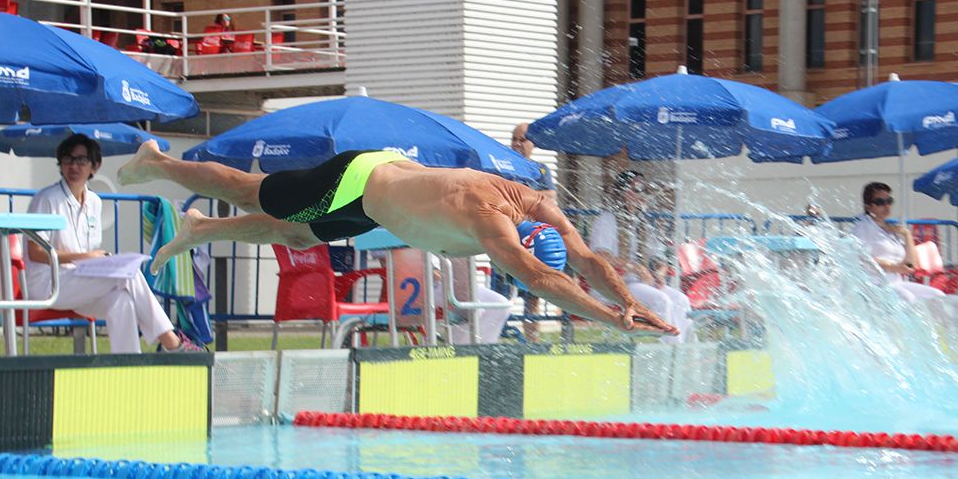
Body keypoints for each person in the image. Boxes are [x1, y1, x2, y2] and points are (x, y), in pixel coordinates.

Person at [116, 142, 678, 337]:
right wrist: (609, 320)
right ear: (521, 240)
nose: (514, 259)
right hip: (355, 182)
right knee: (249, 192)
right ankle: (161, 161)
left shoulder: (540, 205)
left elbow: (585, 259)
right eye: (518, 252)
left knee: (289, 232)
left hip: (377, 195)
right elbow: (544, 278)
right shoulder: (490, 220)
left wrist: (627, 300)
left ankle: (199, 230)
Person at [25, 134, 203, 353]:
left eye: (81, 160)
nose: (74, 165)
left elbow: (88, 252)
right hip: (48, 284)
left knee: (122, 301)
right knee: (128, 274)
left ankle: (128, 367)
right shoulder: (47, 199)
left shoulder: (94, 202)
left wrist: (98, 260)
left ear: (94, 166)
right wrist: (85, 258)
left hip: (78, 283)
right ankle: (172, 343)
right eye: (68, 159)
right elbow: (35, 252)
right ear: (60, 164)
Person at [587, 171, 693, 344]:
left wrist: (658, 273)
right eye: (638, 189)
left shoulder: (641, 223)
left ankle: (687, 351)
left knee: (681, 300)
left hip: (637, 284)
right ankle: (674, 354)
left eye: (645, 190)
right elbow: (601, 256)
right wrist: (638, 268)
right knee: (661, 300)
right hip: (611, 284)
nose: (643, 194)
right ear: (623, 192)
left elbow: (659, 257)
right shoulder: (607, 220)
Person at [850, 182, 945, 304]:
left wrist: (906, 234)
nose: (886, 206)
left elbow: (911, 266)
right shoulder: (862, 227)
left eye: (889, 201)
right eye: (880, 202)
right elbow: (862, 258)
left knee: (937, 296)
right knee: (906, 297)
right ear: (868, 206)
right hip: (873, 283)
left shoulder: (890, 230)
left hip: (896, 282)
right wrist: (894, 267)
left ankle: (934, 324)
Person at [509, 122, 556, 342]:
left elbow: (551, 196)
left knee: (534, 295)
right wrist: (532, 198)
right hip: (509, 235)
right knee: (503, 292)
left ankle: (532, 342)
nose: (517, 144)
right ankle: (494, 341)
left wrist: (524, 197)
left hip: (533, 238)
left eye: (522, 139)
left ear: (532, 144)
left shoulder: (540, 169)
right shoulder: (504, 165)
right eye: (514, 139)